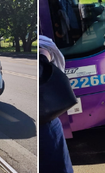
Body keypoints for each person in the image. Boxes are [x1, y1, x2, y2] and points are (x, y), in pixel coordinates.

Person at [39, 35, 73, 173]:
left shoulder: (44, 45)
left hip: (46, 121)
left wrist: (43, 55)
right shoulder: (44, 44)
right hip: (46, 122)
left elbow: (46, 50)